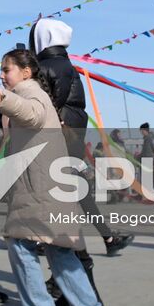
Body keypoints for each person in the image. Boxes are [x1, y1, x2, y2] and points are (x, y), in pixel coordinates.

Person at [0, 48, 107, 306]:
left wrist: (4, 99)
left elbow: (32, 114)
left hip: (39, 189)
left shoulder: (31, 94)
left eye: (7, 69)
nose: (2, 75)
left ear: (26, 72)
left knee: (20, 245)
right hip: (46, 187)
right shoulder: (29, 94)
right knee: (61, 254)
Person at [29, 17, 129, 257]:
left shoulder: (47, 67)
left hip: (56, 135)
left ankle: (58, 245)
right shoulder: (66, 66)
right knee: (75, 189)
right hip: (71, 133)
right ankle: (107, 236)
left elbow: (48, 103)